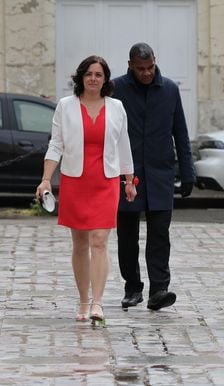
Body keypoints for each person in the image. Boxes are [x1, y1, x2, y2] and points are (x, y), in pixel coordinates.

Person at [35, 55, 136, 324]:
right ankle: (82, 299)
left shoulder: (117, 107)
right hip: (75, 181)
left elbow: (124, 145)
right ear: (81, 77)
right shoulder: (65, 106)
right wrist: (46, 179)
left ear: (106, 80)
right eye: (89, 74)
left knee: (100, 241)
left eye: (99, 74)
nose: (93, 78)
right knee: (80, 243)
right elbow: (55, 145)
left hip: (106, 182)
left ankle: (98, 303)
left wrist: (129, 181)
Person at [112, 42, 196, 311]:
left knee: (160, 233)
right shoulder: (116, 89)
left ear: (155, 61)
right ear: (130, 66)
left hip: (160, 174)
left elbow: (180, 133)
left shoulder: (170, 89)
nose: (147, 73)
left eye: (150, 67)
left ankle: (159, 289)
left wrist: (188, 171)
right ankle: (132, 288)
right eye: (140, 69)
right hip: (126, 175)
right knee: (127, 235)